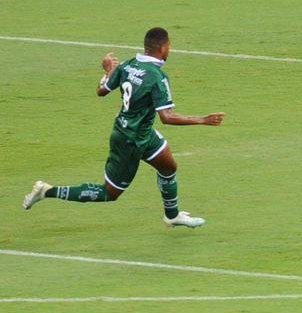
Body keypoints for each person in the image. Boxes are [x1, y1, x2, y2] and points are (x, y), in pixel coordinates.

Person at [22, 27, 225, 228]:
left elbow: (101, 90)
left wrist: (109, 70)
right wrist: (202, 120)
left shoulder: (129, 65)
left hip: (142, 132)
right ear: (163, 47)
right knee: (109, 193)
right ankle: (46, 191)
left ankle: (172, 215)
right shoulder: (157, 76)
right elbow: (167, 117)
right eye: (169, 46)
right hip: (130, 140)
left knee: (168, 166)